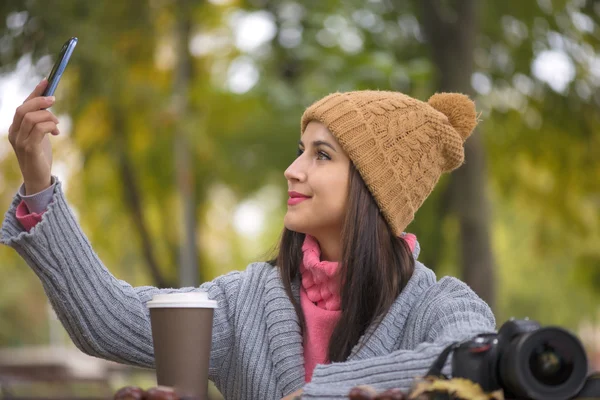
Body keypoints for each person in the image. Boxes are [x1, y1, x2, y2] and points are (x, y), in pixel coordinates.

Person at [1, 78, 496, 400]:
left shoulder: (440, 305)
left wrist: (316, 393)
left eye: (321, 156)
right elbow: (110, 321)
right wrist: (39, 182)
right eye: (300, 150)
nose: (293, 170)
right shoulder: (245, 302)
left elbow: (479, 361)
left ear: (375, 190)